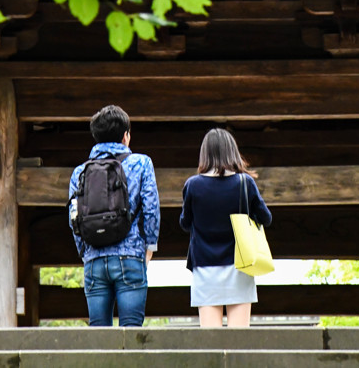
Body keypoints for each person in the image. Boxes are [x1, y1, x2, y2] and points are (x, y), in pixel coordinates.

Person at [68, 104, 160, 327]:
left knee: (99, 335)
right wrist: (149, 247)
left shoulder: (80, 171)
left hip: (94, 260)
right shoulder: (141, 163)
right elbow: (151, 207)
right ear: (126, 136)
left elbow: (73, 216)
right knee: (131, 331)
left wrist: (84, 251)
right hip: (130, 256)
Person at [180, 127, 272, 327]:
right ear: (233, 152)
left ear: (205, 154)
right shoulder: (244, 182)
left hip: (204, 268)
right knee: (239, 342)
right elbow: (266, 218)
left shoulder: (193, 185)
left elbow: (185, 223)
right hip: (240, 264)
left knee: (211, 341)